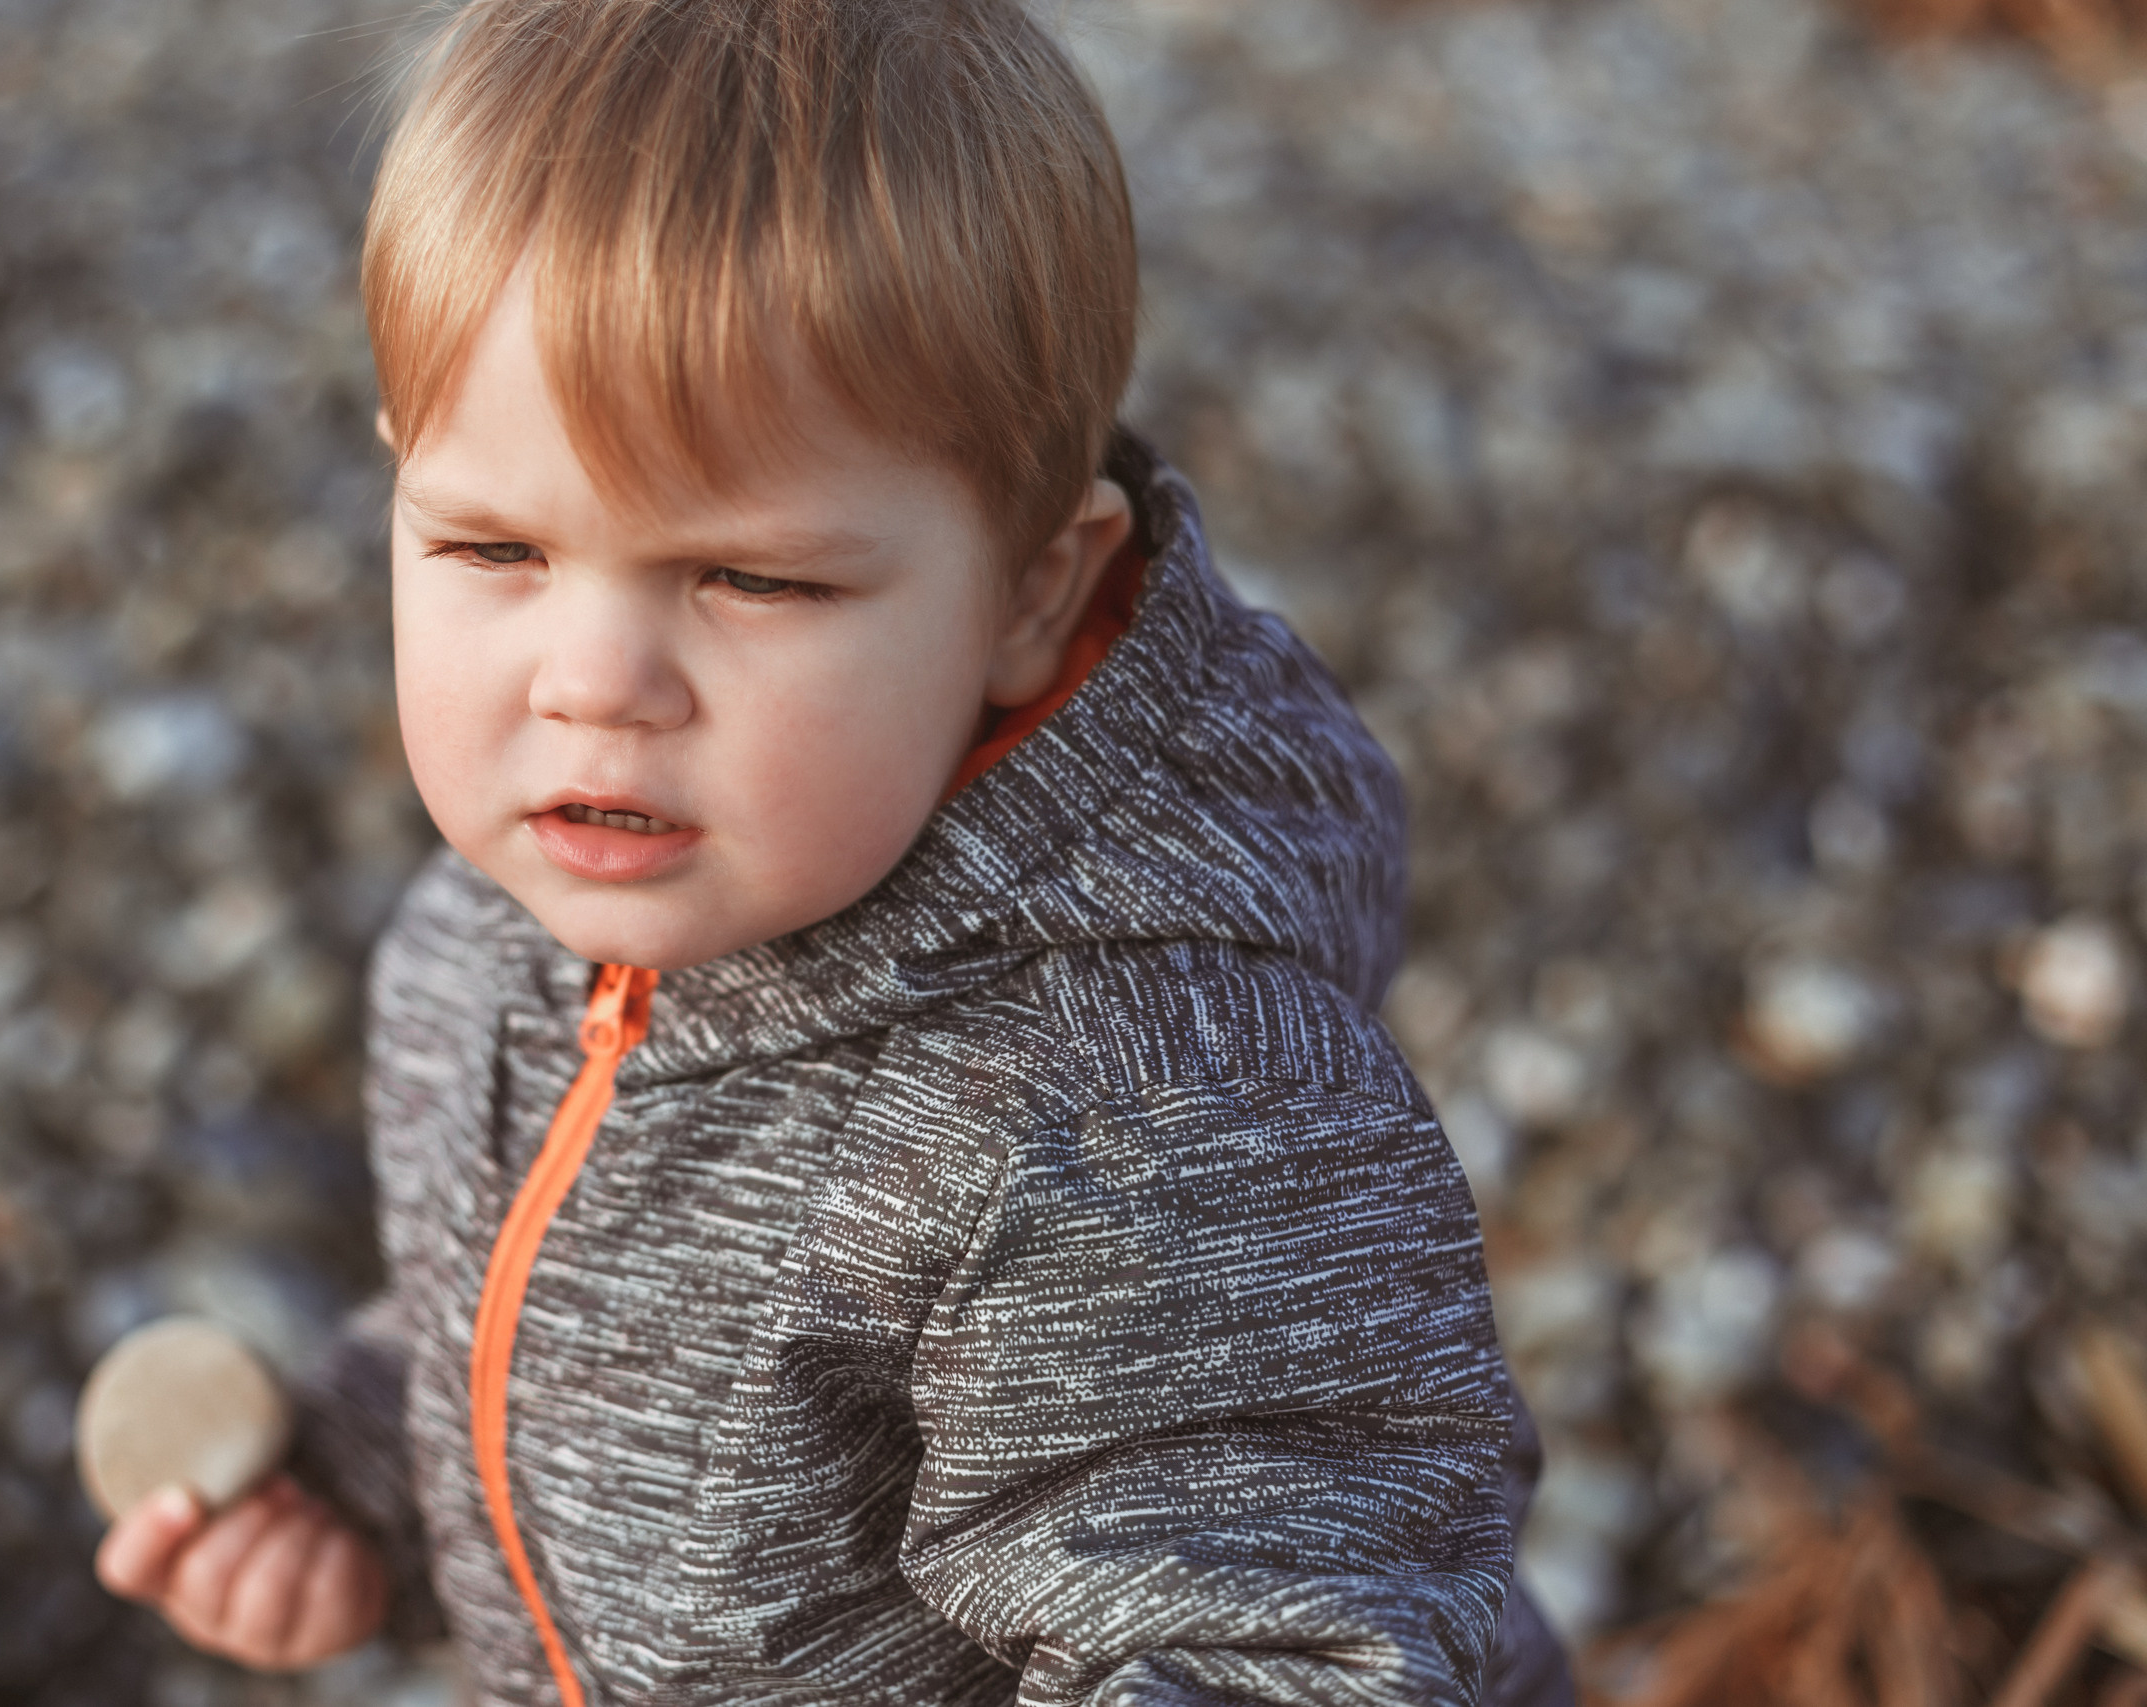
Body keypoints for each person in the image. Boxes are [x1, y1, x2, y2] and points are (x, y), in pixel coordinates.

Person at [95, 0, 1573, 1699]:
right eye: (494, 546)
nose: (593, 684)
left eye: (753, 579)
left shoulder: (1128, 1110)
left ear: (1031, 595)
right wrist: (362, 1475)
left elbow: (1289, 1648)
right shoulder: (493, 944)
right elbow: (563, 1323)